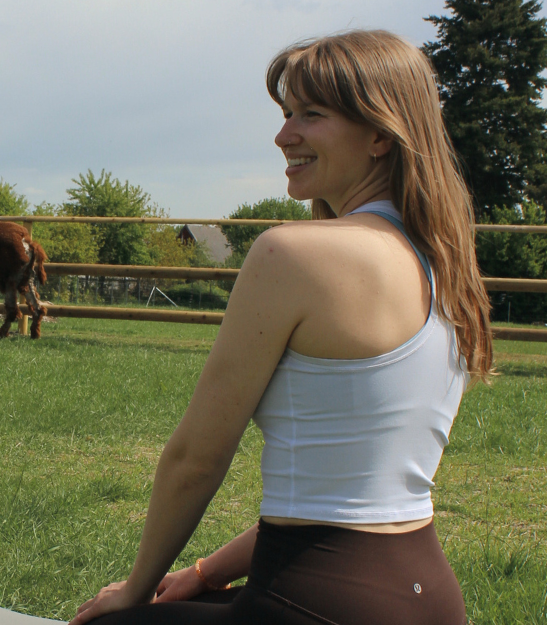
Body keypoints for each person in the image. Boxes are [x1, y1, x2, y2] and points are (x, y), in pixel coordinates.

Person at [70, 30, 493, 625]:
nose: (283, 134)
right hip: (428, 598)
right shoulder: (445, 266)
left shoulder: (292, 255)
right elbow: (342, 500)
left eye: (311, 115)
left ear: (379, 134)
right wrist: (202, 574)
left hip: (317, 601)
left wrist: (134, 591)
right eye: (286, 112)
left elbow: (196, 459)